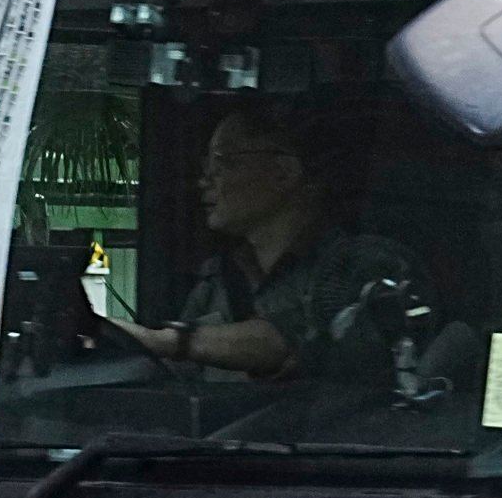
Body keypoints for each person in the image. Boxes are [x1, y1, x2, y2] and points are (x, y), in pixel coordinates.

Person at [103, 107, 424, 386]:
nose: (205, 181)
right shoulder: (215, 279)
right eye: (206, 168)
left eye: (223, 162)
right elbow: (178, 381)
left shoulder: (364, 265)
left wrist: (162, 340)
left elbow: (295, 339)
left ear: (284, 173)